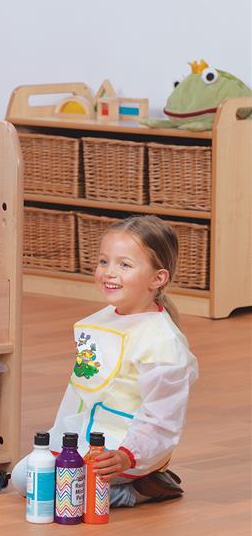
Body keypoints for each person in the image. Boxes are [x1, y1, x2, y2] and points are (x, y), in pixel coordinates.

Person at [11, 215, 198, 507]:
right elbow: (81, 391)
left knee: (60, 491)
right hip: (85, 438)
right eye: (103, 262)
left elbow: (162, 419)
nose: (109, 272)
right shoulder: (103, 321)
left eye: (124, 265)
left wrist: (127, 455)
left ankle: (135, 488)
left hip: (125, 451)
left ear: (157, 278)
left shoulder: (162, 343)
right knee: (25, 477)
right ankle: (115, 487)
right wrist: (64, 438)